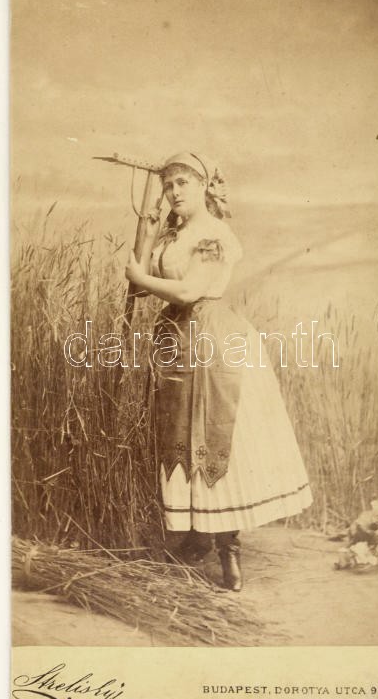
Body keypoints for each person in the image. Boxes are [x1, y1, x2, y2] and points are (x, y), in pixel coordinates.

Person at [125, 152, 313, 591]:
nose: (173, 192)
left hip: (214, 340)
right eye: (168, 185)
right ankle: (197, 537)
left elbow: (188, 290)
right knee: (179, 433)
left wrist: (140, 275)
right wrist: (146, 238)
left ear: (204, 187)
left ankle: (229, 551)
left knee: (216, 437)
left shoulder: (214, 234)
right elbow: (139, 286)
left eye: (183, 183)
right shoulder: (172, 236)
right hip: (175, 339)